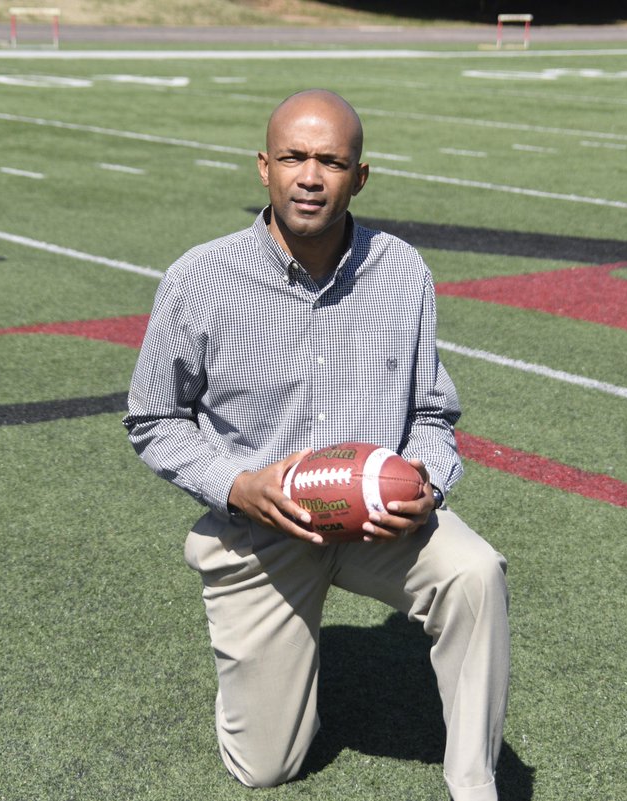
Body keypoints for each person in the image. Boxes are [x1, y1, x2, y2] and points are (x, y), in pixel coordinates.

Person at [123, 89, 510, 801]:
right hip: (263, 526)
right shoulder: (198, 279)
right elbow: (153, 418)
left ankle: (474, 782)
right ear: (263, 167)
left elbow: (432, 412)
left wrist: (425, 481)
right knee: (267, 766)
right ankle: (262, 671)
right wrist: (236, 486)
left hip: (379, 519)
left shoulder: (401, 271)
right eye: (294, 158)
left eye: (330, 162)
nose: (310, 177)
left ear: (359, 177)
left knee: (475, 571)